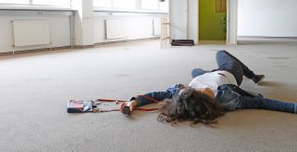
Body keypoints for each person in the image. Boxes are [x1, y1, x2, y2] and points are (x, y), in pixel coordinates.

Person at [120, 50, 297, 125]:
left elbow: (156, 95)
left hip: (204, 74)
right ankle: (251, 75)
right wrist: (293, 107)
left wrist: (133, 102)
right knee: (221, 53)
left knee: (194, 71)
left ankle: (205, 72)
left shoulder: (185, 96)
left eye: (193, 90)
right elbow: (265, 103)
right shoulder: (229, 99)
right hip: (227, 73)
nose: (198, 89)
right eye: (201, 91)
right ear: (208, 99)